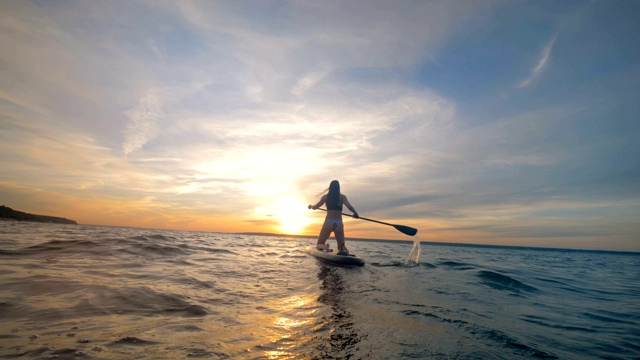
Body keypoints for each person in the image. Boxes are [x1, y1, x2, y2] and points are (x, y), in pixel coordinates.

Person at [308, 180, 358, 255]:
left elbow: (316, 207)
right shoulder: (342, 197)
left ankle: (325, 247)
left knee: (320, 243)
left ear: (330, 187)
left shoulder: (325, 197)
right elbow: (349, 206)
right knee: (341, 246)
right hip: (338, 223)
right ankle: (343, 249)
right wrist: (355, 213)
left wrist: (311, 206)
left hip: (329, 222)